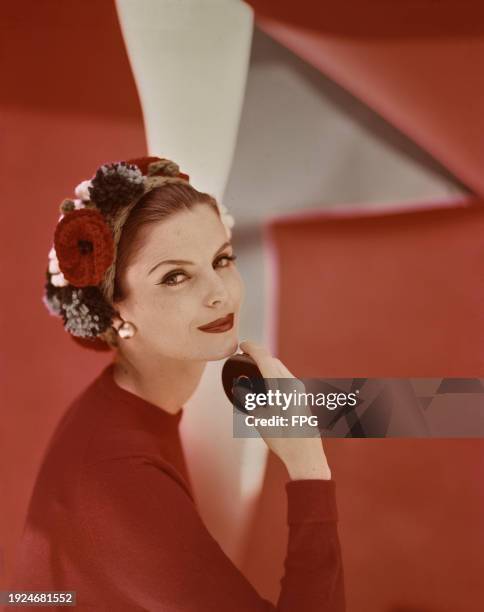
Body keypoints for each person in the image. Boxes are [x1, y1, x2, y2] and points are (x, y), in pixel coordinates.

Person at [11, 156, 346, 610]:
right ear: (115, 310)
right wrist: (309, 467)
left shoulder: (126, 405)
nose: (220, 293)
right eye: (175, 277)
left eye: (222, 259)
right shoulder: (118, 475)